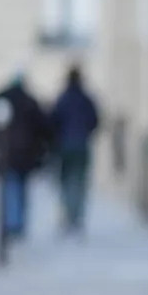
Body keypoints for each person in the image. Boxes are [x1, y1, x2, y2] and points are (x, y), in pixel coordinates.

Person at [0, 72, 48, 242]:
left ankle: (13, 222)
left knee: (11, 187)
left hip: (9, 153)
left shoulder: (2, 99)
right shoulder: (29, 101)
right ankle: (16, 223)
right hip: (25, 153)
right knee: (19, 188)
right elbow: (42, 127)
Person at [48, 66, 101, 234]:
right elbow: (95, 120)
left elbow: (53, 121)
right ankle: (76, 217)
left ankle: (68, 216)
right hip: (81, 144)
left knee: (65, 182)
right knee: (78, 182)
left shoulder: (62, 99)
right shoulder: (86, 99)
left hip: (64, 145)